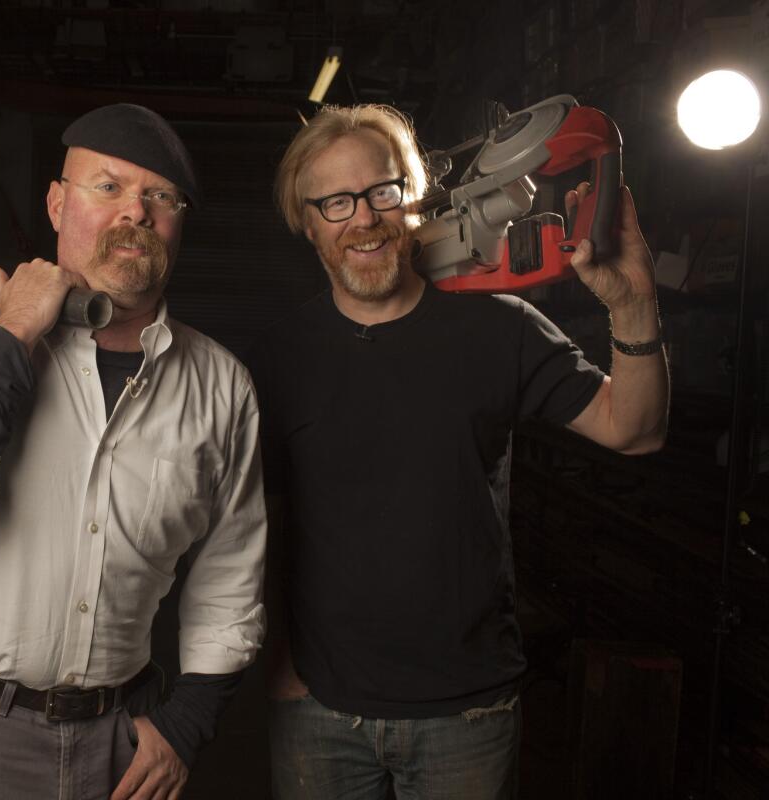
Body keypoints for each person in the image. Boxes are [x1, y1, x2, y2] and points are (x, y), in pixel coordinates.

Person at [248, 104, 669, 799]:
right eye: (336, 202)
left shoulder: (498, 329)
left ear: (412, 199)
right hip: (320, 709)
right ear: (307, 220)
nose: (364, 219)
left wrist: (634, 307)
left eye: (383, 192)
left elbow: (636, 428)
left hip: (466, 713)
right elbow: (261, 520)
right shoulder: (278, 357)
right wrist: (283, 668)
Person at [0, 104, 266, 800]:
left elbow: (229, 580)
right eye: (106, 187)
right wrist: (14, 332)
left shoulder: (220, 385)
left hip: (123, 749)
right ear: (55, 203)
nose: (135, 212)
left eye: (160, 197)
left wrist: (188, 725)